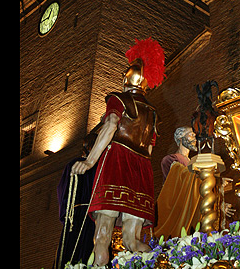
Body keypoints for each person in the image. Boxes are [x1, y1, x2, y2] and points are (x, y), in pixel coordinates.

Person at [71, 38, 166, 267]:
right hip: (142, 173)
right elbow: (150, 149)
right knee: (133, 241)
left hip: (117, 166)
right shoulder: (153, 114)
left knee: (102, 236)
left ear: (126, 79)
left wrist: (90, 161)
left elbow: (111, 124)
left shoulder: (119, 99)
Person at [54, 130, 100, 269]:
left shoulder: (74, 164)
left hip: (75, 216)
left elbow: (62, 190)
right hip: (96, 216)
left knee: (71, 253)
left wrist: (65, 215)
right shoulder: (100, 166)